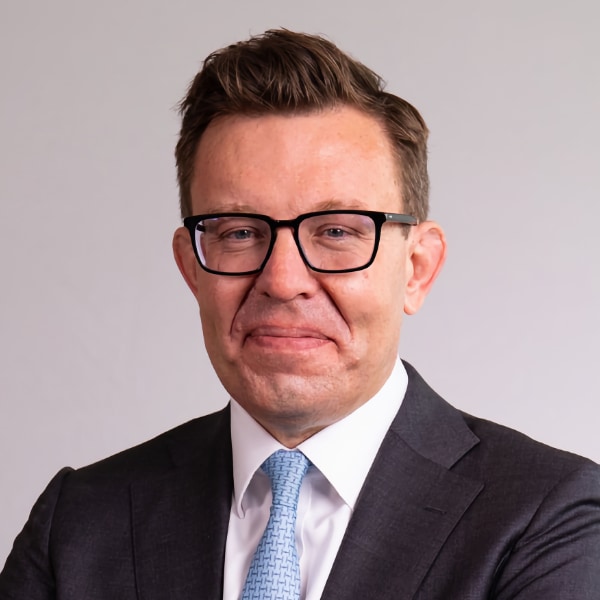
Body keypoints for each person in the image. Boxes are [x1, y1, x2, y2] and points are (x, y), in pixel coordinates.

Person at [1, 28, 599, 600]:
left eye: (337, 230)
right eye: (238, 232)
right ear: (192, 269)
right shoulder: (77, 523)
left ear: (416, 268)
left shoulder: (549, 517)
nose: (283, 282)